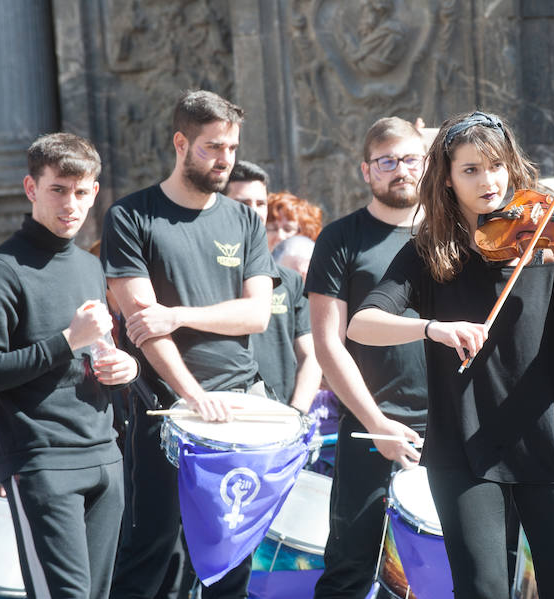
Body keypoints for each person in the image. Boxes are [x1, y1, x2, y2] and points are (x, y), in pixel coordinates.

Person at [347, 111, 554, 598]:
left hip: (550, 439)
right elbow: (362, 324)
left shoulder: (545, 243)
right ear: (447, 181)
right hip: (465, 446)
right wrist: (433, 328)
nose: (487, 180)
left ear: (512, 168)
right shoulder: (431, 253)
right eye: (470, 169)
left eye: (495, 166)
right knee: (482, 589)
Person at [102, 90, 278, 599]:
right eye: (212, 147)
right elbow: (142, 324)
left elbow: (257, 313)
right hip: (166, 411)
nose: (225, 159)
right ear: (181, 143)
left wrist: (178, 313)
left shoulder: (244, 220)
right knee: (152, 551)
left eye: (231, 148)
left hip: (241, 406)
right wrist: (191, 396)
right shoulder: (132, 216)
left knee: (232, 559)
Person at [0, 133, 139, 598]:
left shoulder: (89, 266)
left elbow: (94, 350)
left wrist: (123, 368)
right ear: (32, 189)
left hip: (104, 456)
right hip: (41, 461)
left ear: (95, 192)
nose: (70, 204)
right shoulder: (2, 269)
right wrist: (68, 340)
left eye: (81, 191)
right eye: (58, 190)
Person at [305, 116, 429, 598]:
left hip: (449, 429)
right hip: (369, 427)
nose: (400, 170)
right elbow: (327, 343)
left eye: (411, 159)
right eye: (387, 161)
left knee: (447, 572)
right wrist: (378, 424)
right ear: (366, 170)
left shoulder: (452, 234)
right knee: (351, 570)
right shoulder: (340, 238)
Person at [226, 161, 321, 413]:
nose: (254, 212)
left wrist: (297, 413)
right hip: (223, 416)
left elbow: (311, 356)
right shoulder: (206, 272)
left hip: (282, 419)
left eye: (260, 204)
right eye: (243, 203)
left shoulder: (289, 280)